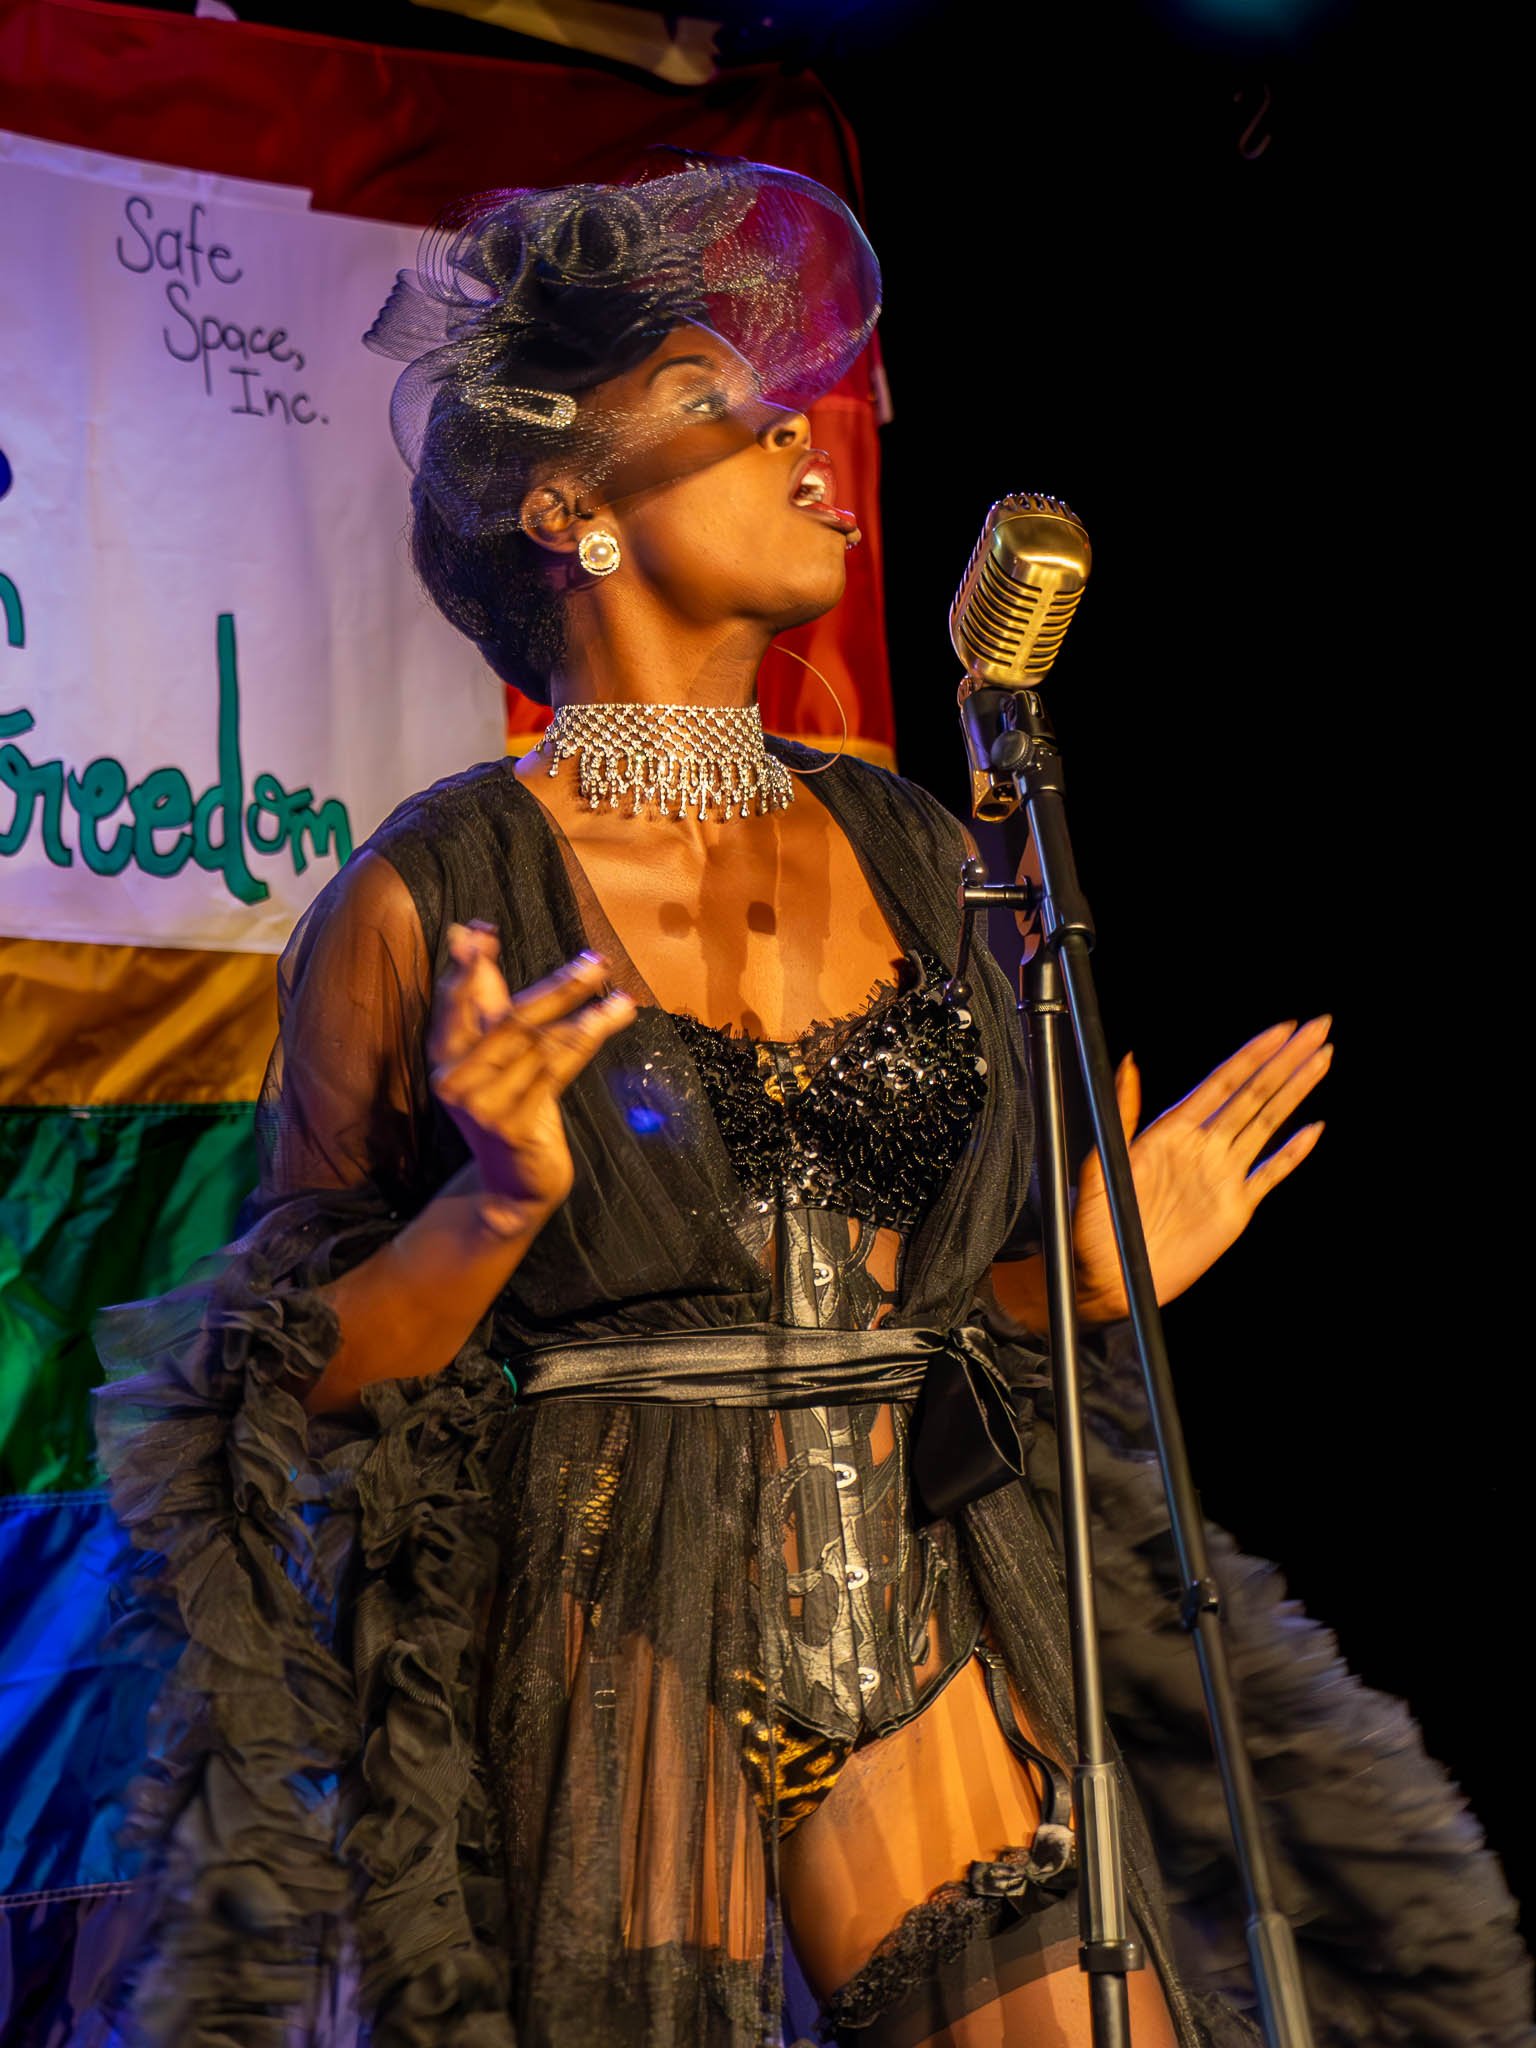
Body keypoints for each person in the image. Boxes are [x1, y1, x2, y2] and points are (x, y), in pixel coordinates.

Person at [89, 158, 1531, 2048]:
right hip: (612, 1639)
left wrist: (1077, 1286)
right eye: (724, 420)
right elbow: (294, 1373)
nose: (804, 452)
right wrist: (495, 1206)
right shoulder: (422, 897)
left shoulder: (925, 851)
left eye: (792, 417)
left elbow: (910, 1313)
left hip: (931, 1605)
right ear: (571, 514)